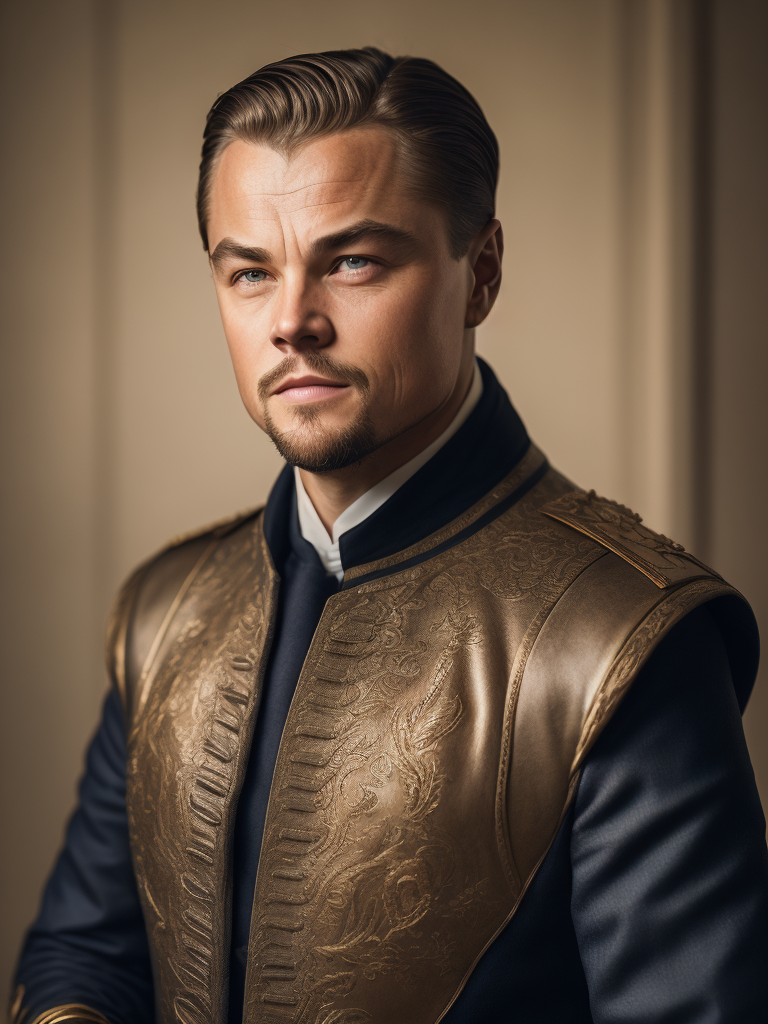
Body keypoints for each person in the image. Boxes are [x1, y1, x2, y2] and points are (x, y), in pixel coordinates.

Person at [10, 46, 768, 1024]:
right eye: (251, 271)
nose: (292, 321)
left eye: (353, 262)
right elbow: (84, 954)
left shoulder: (622, 639)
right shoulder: (163, 611)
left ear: (481, 273)